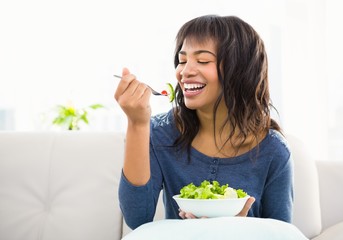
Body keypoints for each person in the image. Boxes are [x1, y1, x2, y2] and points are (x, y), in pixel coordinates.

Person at [114, 14, 293, 230]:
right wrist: (137, 124)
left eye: (203, 61)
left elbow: (282, 233)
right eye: (182, 61)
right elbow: (137, 219)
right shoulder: (160, 133)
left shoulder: (273, 150)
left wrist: (238, 230)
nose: (185, 72)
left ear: (240, 71)